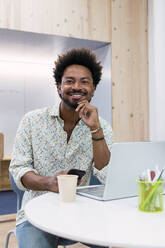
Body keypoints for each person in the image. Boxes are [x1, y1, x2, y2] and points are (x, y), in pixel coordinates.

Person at [9, 48, 114, 248]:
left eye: (84, 82)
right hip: (35, 213)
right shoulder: (32, 121)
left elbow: (106, 172)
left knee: (108, 241)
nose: (77, 87)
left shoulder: (102, 126)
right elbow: (19, 170)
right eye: (69, 81)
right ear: (59, 87)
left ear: (93, 89)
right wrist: (49, 182)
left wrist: (95, 129)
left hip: (81, 211)